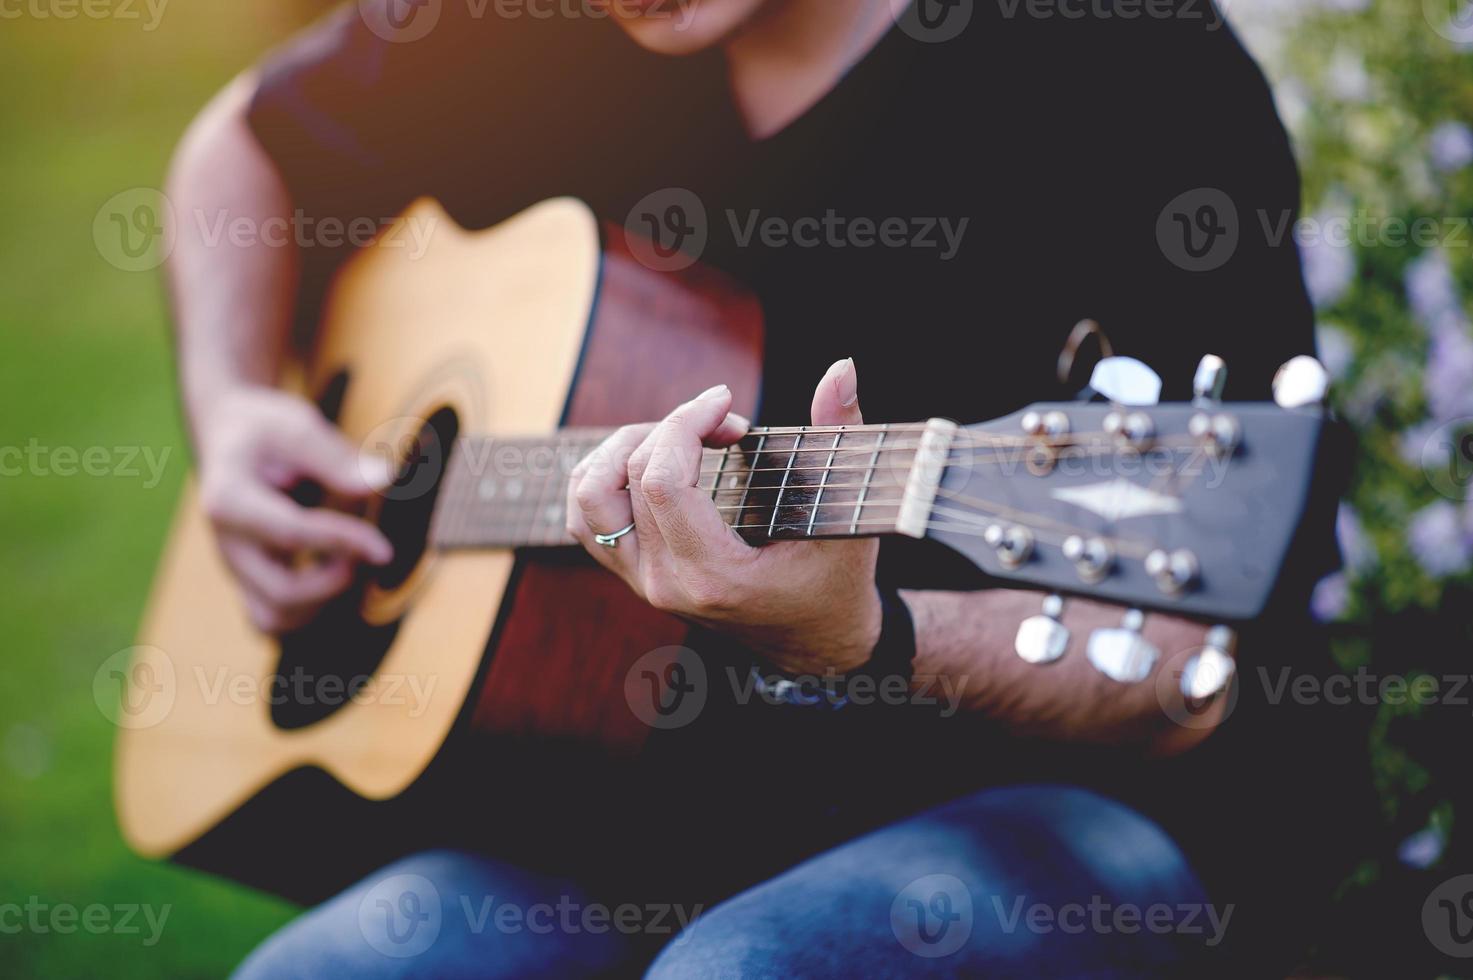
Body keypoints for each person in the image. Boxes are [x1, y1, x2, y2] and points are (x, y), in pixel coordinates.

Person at [165, 0, 1360, 974]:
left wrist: (877, 636)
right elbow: (240, 145)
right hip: (615, 805)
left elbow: (1178, 674)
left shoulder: (1125, 64)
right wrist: (230, 409)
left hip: (1054, 809)